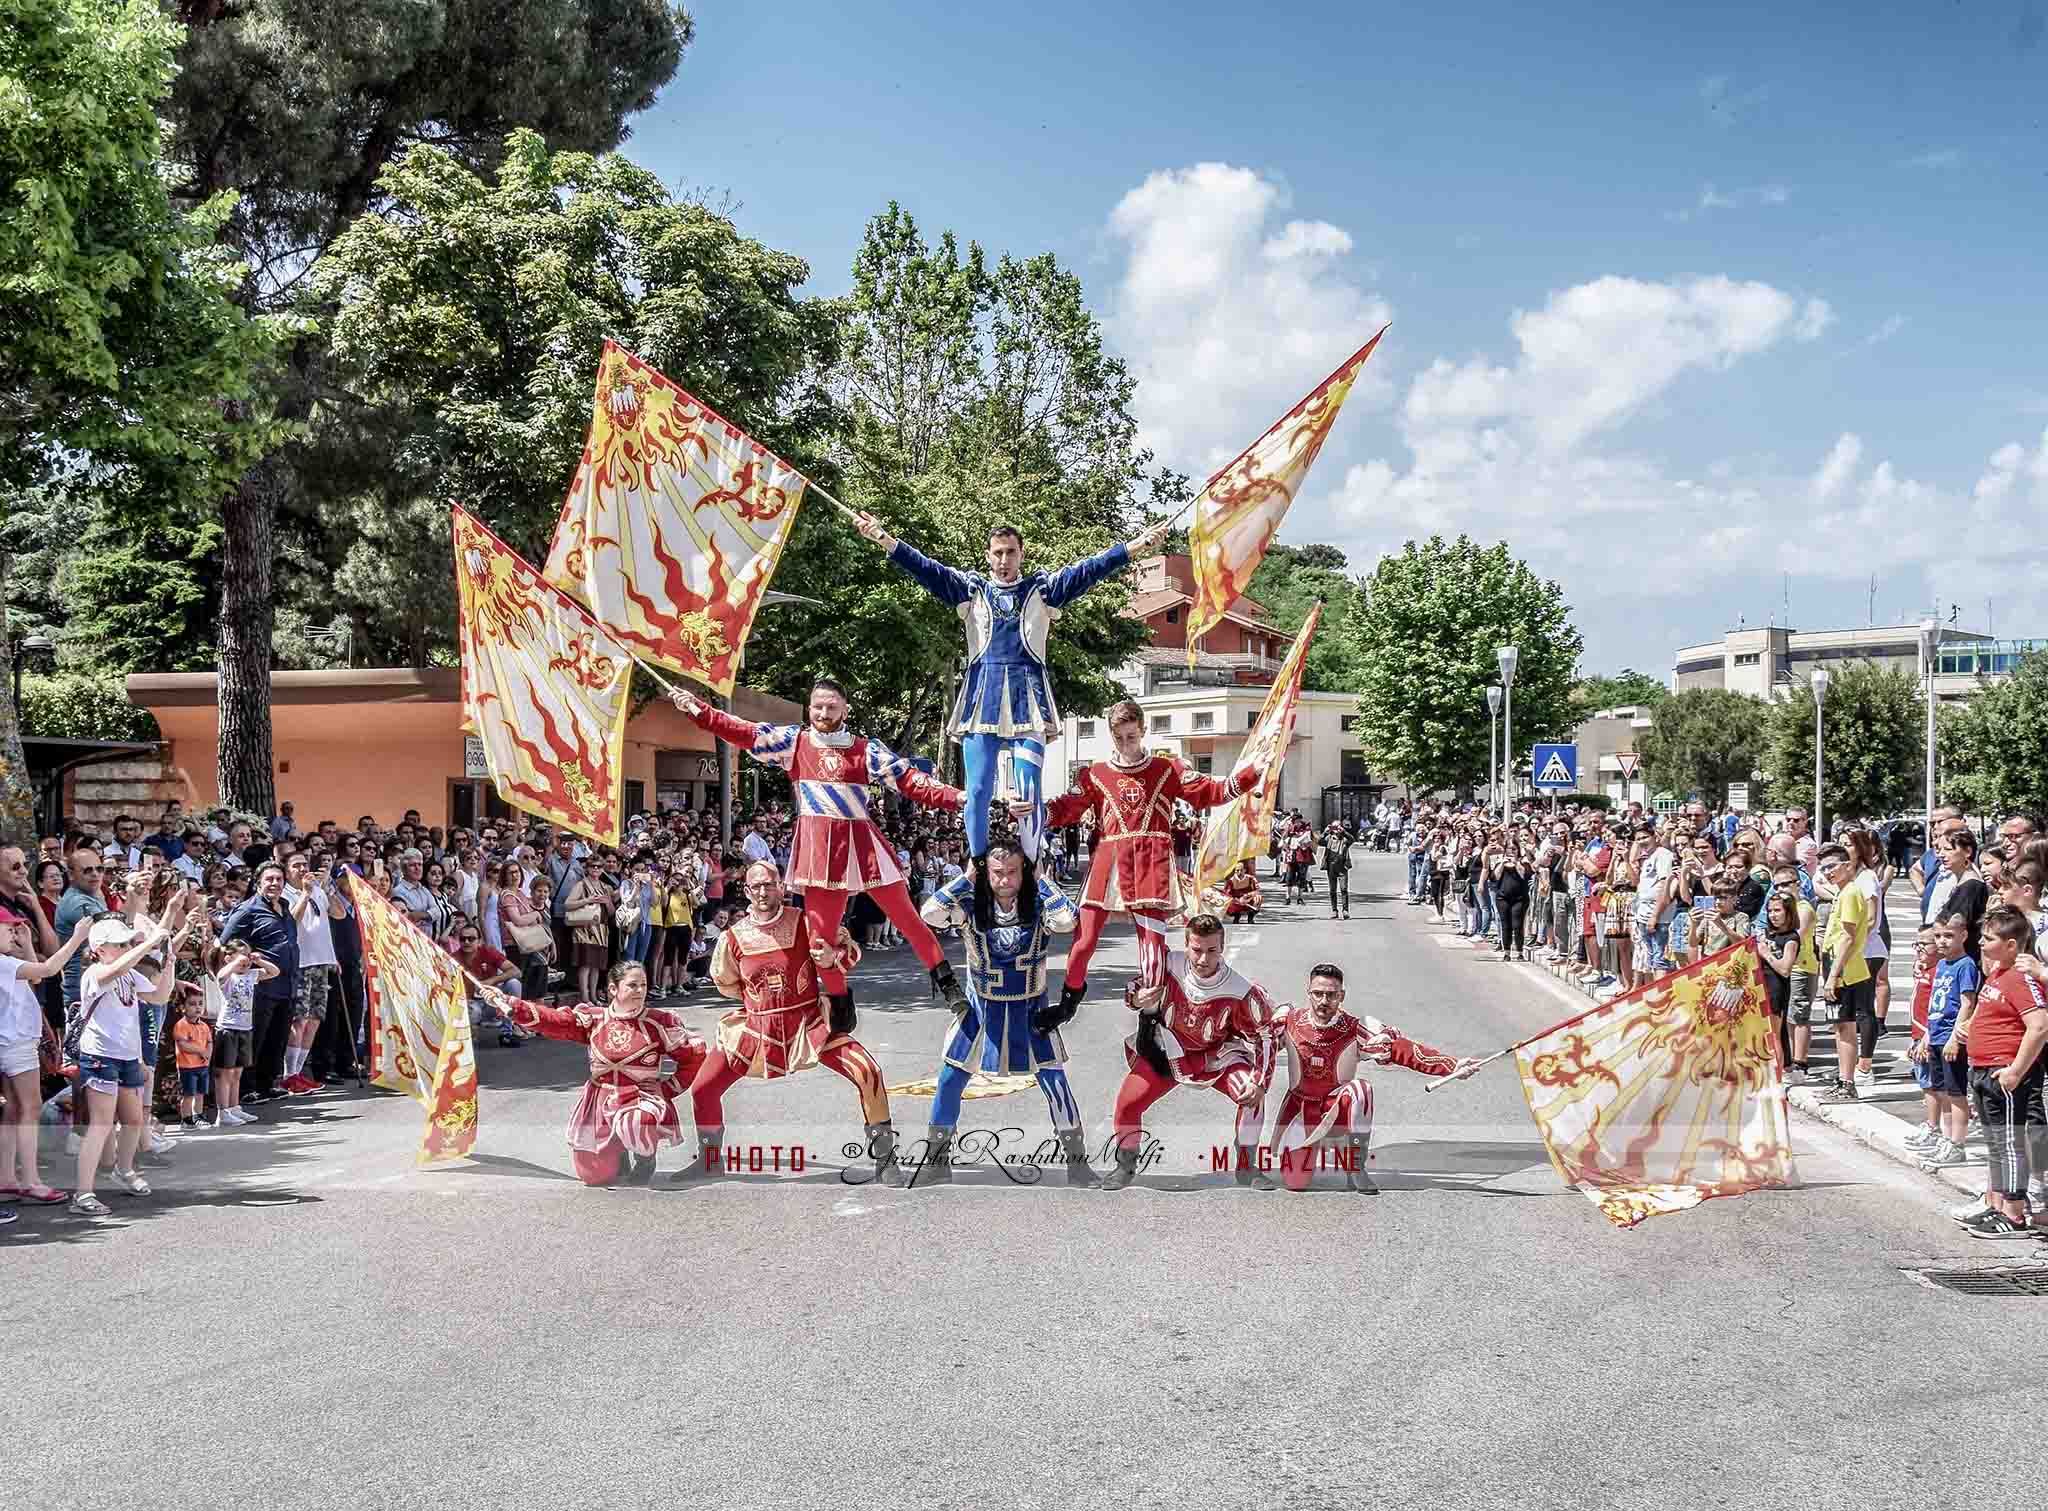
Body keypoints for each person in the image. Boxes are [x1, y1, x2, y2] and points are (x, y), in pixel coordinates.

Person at [856, 511, 1171, 862]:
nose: (1004, 560)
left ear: (1021, 554)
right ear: (988, 556)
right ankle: (975, 867)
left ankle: (1032, 865)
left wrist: (1135, 546)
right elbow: (927, 569)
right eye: (997, 553)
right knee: (976, 789)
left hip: (1028, 700)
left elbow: (1091, 568)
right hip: (981, 700)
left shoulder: (1043, 590)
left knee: (1027, 790)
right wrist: (885, 539)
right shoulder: (970, 590)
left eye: (1010, 552)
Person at [668, 678, 969, 1018]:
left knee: (908, 919)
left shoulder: (865, 749)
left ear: (845, 709)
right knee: (819, 942)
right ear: (809, 708)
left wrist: (957, 797)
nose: (823, 713)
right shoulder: (793, 742)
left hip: (862, 843)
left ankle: (947, 984)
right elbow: (744, 731)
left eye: (831, 707)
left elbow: (910, 779)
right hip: (818, 848)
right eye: (817, 706)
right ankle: (841, 1003)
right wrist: (698, 709)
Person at [1041, 698, 1259, 1028]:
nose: (1126, 744)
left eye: (1132, 736)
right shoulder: (1095, 774)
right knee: (1083, 941)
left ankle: (1150, 1018)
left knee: (1152, 947)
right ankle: (1067, 1004)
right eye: (1119, 738)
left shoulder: (1168, 768)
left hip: (1150, 862)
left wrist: (1245, 778)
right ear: (1110, 735)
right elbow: (1067, 807)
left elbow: (1210, 792)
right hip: (1107, 863)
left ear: (1143, 731)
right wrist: (1036, 812)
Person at [686, 863, 907, 1186]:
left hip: (810, 1024)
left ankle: (886, 1160)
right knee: (704, 1089)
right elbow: (727, 983)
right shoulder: (733, 937)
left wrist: (833, 960)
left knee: (868, 1071)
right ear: (747, 891)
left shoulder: (805, 921)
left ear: (781, 887)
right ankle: (709, 1163)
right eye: (756, 886)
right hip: (756, 1030)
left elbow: (851, 954)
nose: (763, 891)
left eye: (769, 884)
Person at [914, 842, 1092, 1185]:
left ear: (1023, 871)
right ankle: (937, 1160)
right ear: (986, 873)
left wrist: (1042, 879)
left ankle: (1077, 1161)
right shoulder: (970, 903)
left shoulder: (1039, 903)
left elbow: (1068, 921)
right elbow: (929, 914)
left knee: (1054, 1081)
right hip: (981, 1007)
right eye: (997, 873)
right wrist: (966, 877)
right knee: (950, 1079)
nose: (1005, 880)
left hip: (1030, 1007)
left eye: (1013, 872)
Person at [1267, 963, 1478, 1193]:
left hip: (1336, 1109)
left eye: (1331, 995)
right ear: (1308, 992)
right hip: (1301, 1110)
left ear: (1341, 996)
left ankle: (1355, 1165)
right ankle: (1311, 1147)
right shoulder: (1290, 1022)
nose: (1323, 1001)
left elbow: (1403, 1050)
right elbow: (1259, 1045)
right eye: (1318, 994)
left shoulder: (1356, 1028)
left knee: (1361, 1090)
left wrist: (1452, 1065)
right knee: (1295, 1184)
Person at [494, 962, 707, 1186]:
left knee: (636, 1122)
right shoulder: (594, 1018)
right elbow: (554, 1021)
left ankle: (645, 1158)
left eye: (643, 985)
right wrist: (511, 1004)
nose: (640, 990)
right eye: (632, 985)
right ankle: (618, 1152)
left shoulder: (658, 1022)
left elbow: (693, 1056)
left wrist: (667, 1088)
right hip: (600, 1100)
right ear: (613, 989)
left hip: (639, 1099)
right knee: (593, 1176)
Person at [1106, 914, 1275, 1192]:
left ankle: (1247, 1166)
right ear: (1186, 944)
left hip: (1217, 1058)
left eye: (1211, 951)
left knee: (1251, 1095)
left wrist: (1261, 1081)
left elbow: (1265, 1037)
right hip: (1169, 1054)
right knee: (1127, 1104)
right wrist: (1136, 998)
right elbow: (1135, 987)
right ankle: (1125, 1165)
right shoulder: (1167, 966)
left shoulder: (1240, 990)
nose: (1203, 959)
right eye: (1196, 950)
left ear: (1222, 948)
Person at [70, 914, 195, 1217]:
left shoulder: (127, 975)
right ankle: (82, 1194)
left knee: (133, 1121)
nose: (126, 947)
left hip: (127, 1056)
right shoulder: (96, 973)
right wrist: (149, 943)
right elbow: (115, 970)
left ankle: (123, 1171)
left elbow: (158, 995)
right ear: (99, 948)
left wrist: (168, 962)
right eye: (119, 943)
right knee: (102, 1124)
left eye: (127, 942)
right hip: (100, 1056)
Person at [1949, 906, 2047, 1239]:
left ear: (2011, 945)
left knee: (2009, 1143)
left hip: (2003, 1072)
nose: (1981, 943)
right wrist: (1969, 1028)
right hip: (1983, 1069)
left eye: (1989, 939)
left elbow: (2039, 1026)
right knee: (1995, 1142)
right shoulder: (1997, 974)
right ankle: (1999, 1204)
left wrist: (2015, 1071)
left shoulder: (2020, 978)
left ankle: (2016, 1214)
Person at [0, 907, 91, 1207]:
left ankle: (7, 1179)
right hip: (15, 1043)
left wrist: (26, 945)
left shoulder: (8, 962)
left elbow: (34, 979)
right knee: (30, 1107)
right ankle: (30, 1181)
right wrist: (77, 937)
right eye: (8, 929)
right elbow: (48, 970)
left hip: (11, 1042)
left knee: (15, 1109)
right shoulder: (3, 963)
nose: (14, 933)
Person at [217, 861, 299, 1103]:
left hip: (287, 981)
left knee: (279, 1035)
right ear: (258, 882)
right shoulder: (247, 909)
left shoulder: (284, 906)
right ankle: (247, 1088)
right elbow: (226, 942)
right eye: (269, 879)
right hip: (261, 983)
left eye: (279, 879)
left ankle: (268, 1083)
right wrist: (247, 962)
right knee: (257, 1037)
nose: (274, 883)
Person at [1910, 915, 1979, 1171]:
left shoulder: (1965, 965)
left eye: (1948, 936)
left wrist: (1955, 1038)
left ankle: (1957, 1143)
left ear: (1963, 936)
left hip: (1951, 1038)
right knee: (1941, 1092)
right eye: (1938, 936)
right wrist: (1927, 1036)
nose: (1942, 941)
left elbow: (1967, 1003)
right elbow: (1934, 1005)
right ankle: (1947, 1138)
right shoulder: (1941, 966)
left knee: (1956, 1094)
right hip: (1935, 1036)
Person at [205, 939, 276, 1127]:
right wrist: (234, 964)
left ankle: (234, 1107)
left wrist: (259, 961)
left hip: (245, 1028)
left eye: (248, 955)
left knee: (237, 1072)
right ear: (229, 958)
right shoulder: (229, 977)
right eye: (241, 955)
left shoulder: (251, 975)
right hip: (228, 1027)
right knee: (225, 1073)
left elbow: (274, 972)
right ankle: (223, 1112)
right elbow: (220, 976)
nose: (246, 959)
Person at [172, 989, 214, 1130]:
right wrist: (200, 1050)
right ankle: (186, 1119)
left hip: (202, 1066)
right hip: (187, 1067)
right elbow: (183, 1045)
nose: (197, 1007)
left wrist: (208, 1054)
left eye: (200, 1004)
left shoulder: (204, 1026)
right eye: (192, 1004)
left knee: (200, 1093)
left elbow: (209, 1042)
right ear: (183, 1007)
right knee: (189, 1094)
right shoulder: (181, 1025)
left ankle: (198, 1116)